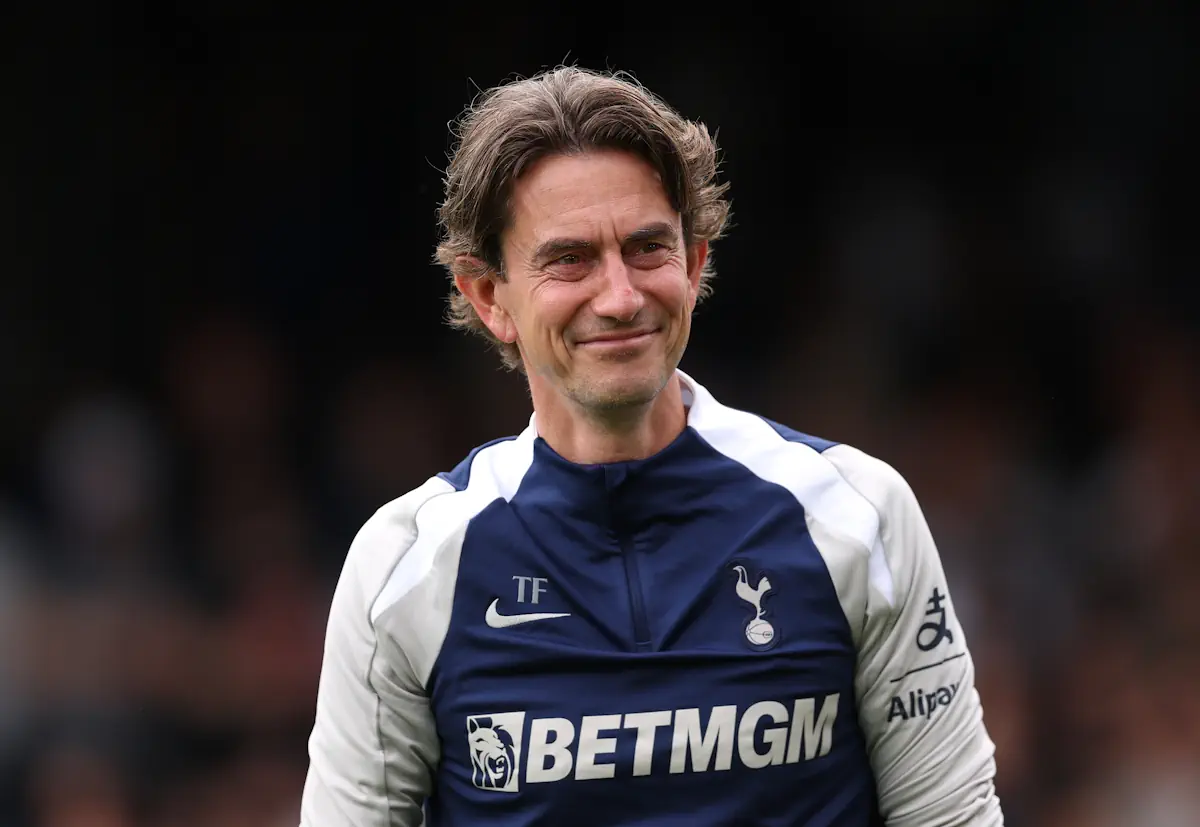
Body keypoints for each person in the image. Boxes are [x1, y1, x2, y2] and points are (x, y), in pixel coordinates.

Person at [299, 66, 1004, 827]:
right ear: (488, 296)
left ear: (696, 263)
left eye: (647, 248)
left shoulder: (858, 516)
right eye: (569, 258)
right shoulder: (405, 565)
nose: (621, 296)